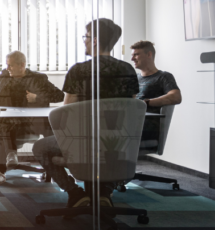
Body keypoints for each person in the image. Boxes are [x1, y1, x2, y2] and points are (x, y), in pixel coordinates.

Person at [32, 18, 139, 209]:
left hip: (83, 142)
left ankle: (75, 193)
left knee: (40, 147)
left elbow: (66, 113)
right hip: (116, 143)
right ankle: (104, 193)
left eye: (86, 37)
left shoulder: (79, 71)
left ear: (95, 40)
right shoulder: (127, 69)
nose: (85, 41)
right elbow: (130, 110)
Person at [0, 51, 64, 186]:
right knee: (4, 123)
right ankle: (2, 167)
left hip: (33, 122)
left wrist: (37, 98)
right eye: (7, 65)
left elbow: (59, 96)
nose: (7, 68)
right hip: (10, 123)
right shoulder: (4, 76)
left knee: (49, 124)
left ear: (22, 65)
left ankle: (50, 167)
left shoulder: (38, 78)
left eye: (10, 65)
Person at [130, 40, 182, 147]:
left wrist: (146, 103)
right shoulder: (134, 78)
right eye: (132, 55)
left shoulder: (163, 77)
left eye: (136, 55)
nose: (132, 59)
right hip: (131, 124)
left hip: (146, 128)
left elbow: (176, 96)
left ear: (149, 54)